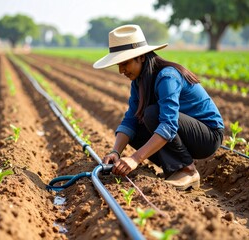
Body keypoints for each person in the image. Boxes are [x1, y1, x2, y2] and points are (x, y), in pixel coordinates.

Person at [93, 25, 224, 191]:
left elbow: (168, 124)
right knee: (135, 128)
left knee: (152, 114)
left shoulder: (167, 76)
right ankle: (175, 169)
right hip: (183, 131)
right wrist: (116, 152)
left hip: (208, 135)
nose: (121, 71)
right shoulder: (138, 82)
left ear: (140, 57)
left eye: (124, 63)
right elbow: (130, 119)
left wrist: (135, 158)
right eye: (118, 65)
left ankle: (188, 171)